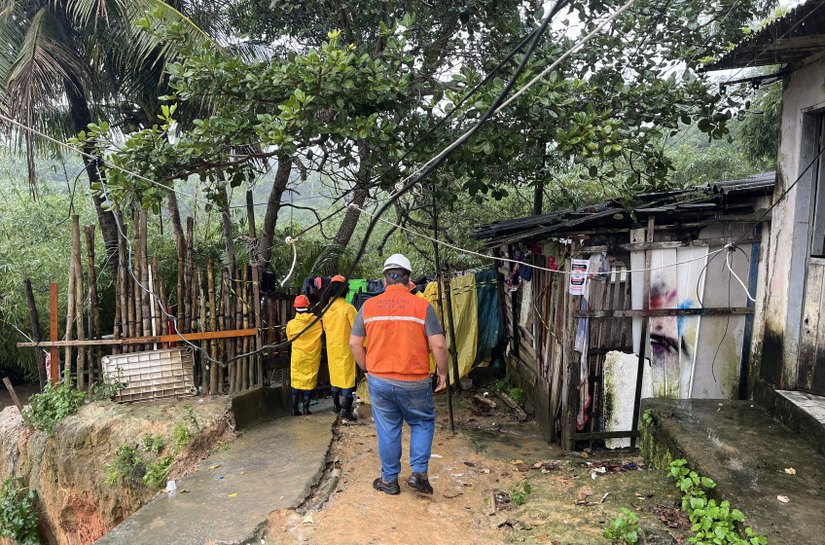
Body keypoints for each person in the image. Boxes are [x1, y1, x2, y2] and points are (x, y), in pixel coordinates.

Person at [349, 253, 449, 495]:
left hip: (380, 380)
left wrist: (367, 369)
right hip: (415, 381)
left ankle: (389, 480)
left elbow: (354, 344)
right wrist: (443, 373)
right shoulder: (423, 306)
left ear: (384, 280)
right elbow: (439, 345)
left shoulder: (368, 307)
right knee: (422, 422)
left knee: (388, 428)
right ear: (409, 279)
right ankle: (418, 474)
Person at [320, 274, 359, 421]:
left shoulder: (326, 310)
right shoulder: (348, 308)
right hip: (346, 349)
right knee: (347, 379)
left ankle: (336, 406)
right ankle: (346, 411)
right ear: (344, 291)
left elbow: (324, 328)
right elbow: (357, 330)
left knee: (335, 377)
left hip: (332, 349)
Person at [286, 294, 324, 416]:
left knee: (296, 380)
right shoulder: (316, 322)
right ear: (308, 306)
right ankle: (306, 409)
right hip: (312, 357)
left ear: (295, 308)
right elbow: (320, 337)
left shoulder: (291, 324)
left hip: (298, 356)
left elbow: (289, 339)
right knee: (309, 380)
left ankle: (293, 409)